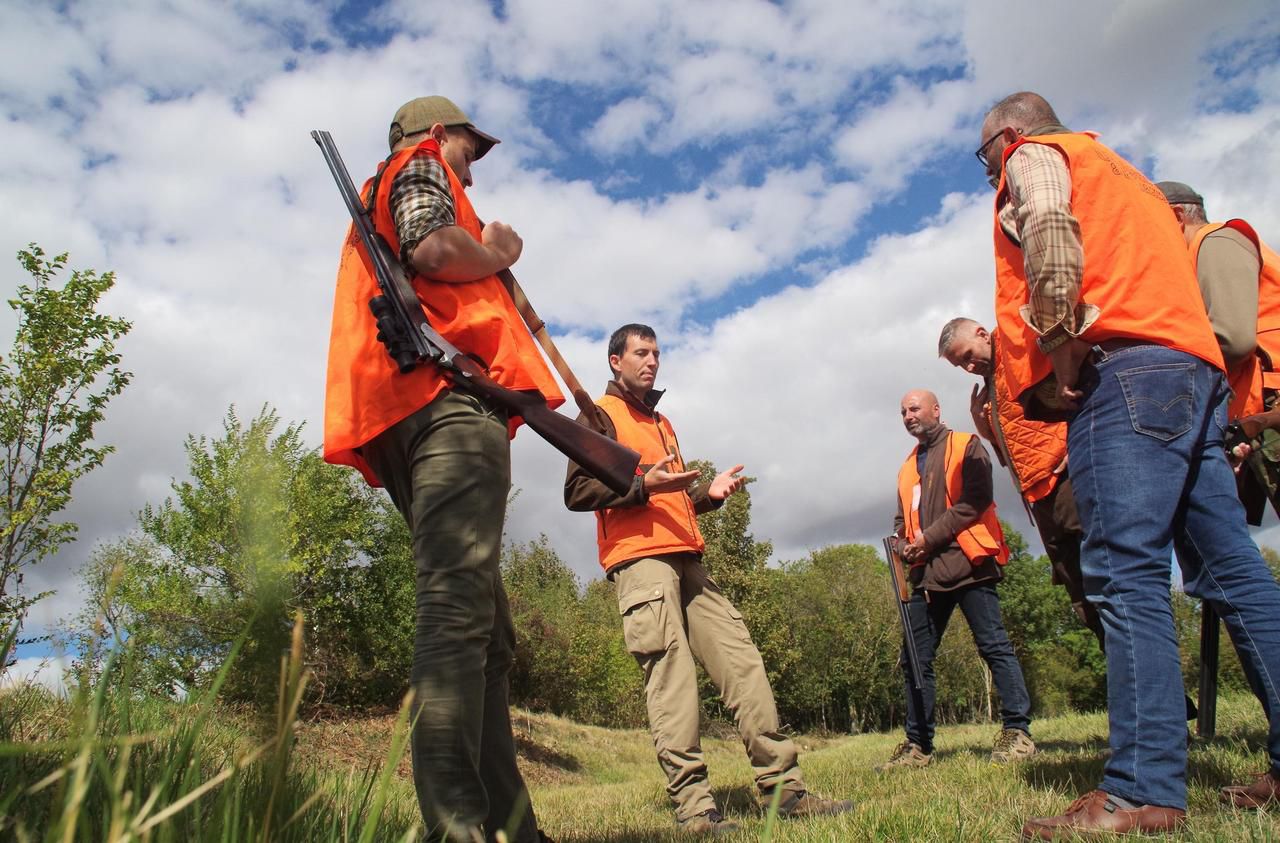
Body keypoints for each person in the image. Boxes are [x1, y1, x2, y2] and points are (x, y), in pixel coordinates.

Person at [978, 90, 1280, 836]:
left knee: (1123, 570)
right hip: (1195, 374)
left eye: (985, 156)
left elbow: (1048, 227)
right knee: (1233, 570)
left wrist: (1059, 338)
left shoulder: (1039, 156)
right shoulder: (1127, 176)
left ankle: (1141, 789)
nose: (990, 172)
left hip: (1126, 374)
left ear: (1009, 135)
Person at [323, 96, 561, 843]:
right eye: (469, 146)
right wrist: (498, 252)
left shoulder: (380, 193)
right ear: (436, 134)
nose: (472, 162)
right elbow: (432, 249)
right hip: (449, 403)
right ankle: (454, 828)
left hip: (403, 409)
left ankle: (513, 827)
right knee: (459, 616)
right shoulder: (419, 166)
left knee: (489, 633)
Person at [564, 323, 852, 835]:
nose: (651, 361)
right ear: (615, 361)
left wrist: (708, 497)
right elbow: (577, 491)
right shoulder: (596, 416)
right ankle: (696, 810)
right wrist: (640, 485)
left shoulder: (662, 421)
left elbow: (667, 499)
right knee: (672, 683)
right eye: (640, 353)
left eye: (656, 353)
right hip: (640, 562)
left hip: (688, 559)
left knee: (743, 663)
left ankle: (786, 792)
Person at [882, 389, 1035, 771]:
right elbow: (901, 522)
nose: (908, 416)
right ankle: (918, 746)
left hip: (969, 563)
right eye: (903, 412)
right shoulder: (906, 466)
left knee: (993, 646)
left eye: (914, 408)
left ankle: (1018, 733)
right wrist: (903, 547)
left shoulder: (968, 446)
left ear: (936, 409)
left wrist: (928, 540)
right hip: (926, 576)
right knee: (915, 659)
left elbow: (975, 501)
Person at [937, 318, 1102, 648]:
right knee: (1081, 594)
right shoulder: (990, 385)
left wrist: (1081, 440)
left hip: (1067, 480)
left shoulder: (1022, 345)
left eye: (968, 355)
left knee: (1105, 577)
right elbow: (1011, 449)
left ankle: (1159, 693)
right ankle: (1132, 689)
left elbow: (1085, 373)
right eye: (960, 364)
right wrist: (983, 426)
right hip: (1037, 496)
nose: (969, 366)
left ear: (983, 334)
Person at [1157, 180, 1280, 524]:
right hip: (1263, 414)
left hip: (1273, 404)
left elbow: (1232, 339)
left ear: (1176, 216)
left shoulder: (1216, 241)